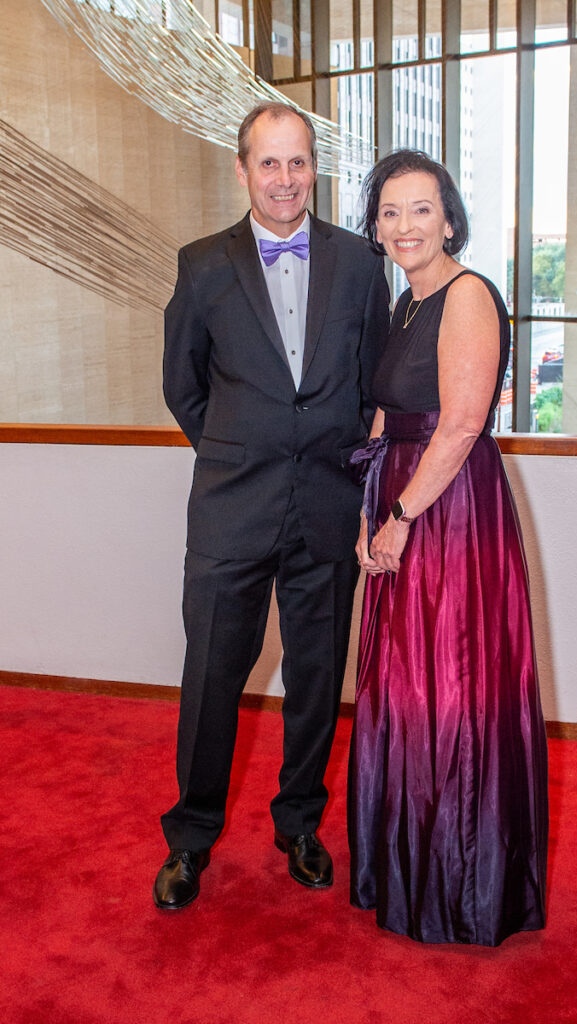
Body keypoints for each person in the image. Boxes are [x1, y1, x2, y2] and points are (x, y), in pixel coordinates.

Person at [154, 102, 390, 910]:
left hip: (326, 503)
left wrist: (339, 465)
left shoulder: (361, 262)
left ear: (313, 170)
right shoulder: (201, 265)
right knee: (212, 675)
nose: (284, 179)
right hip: (231, 510)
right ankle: (189, 839)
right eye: (268, 163)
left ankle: (298, 824)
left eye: (297, 163)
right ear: (241, 169)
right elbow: (182, 385)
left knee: (316, 678)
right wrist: (234, 451)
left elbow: (370, 386)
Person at [348, 150, 548, 946]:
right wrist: (365, 515)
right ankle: (404, 865)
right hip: (398, 499)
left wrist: (398, 513)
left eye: (420, 209)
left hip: (448, 511)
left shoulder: (467, 296)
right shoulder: (404, 304)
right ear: (377, 227)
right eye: (390, 213)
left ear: (449, 219)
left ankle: (458, 884)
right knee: (404, 687)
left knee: (450, 685)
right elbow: (383, 415)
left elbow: (461, 424)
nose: (404, 226)